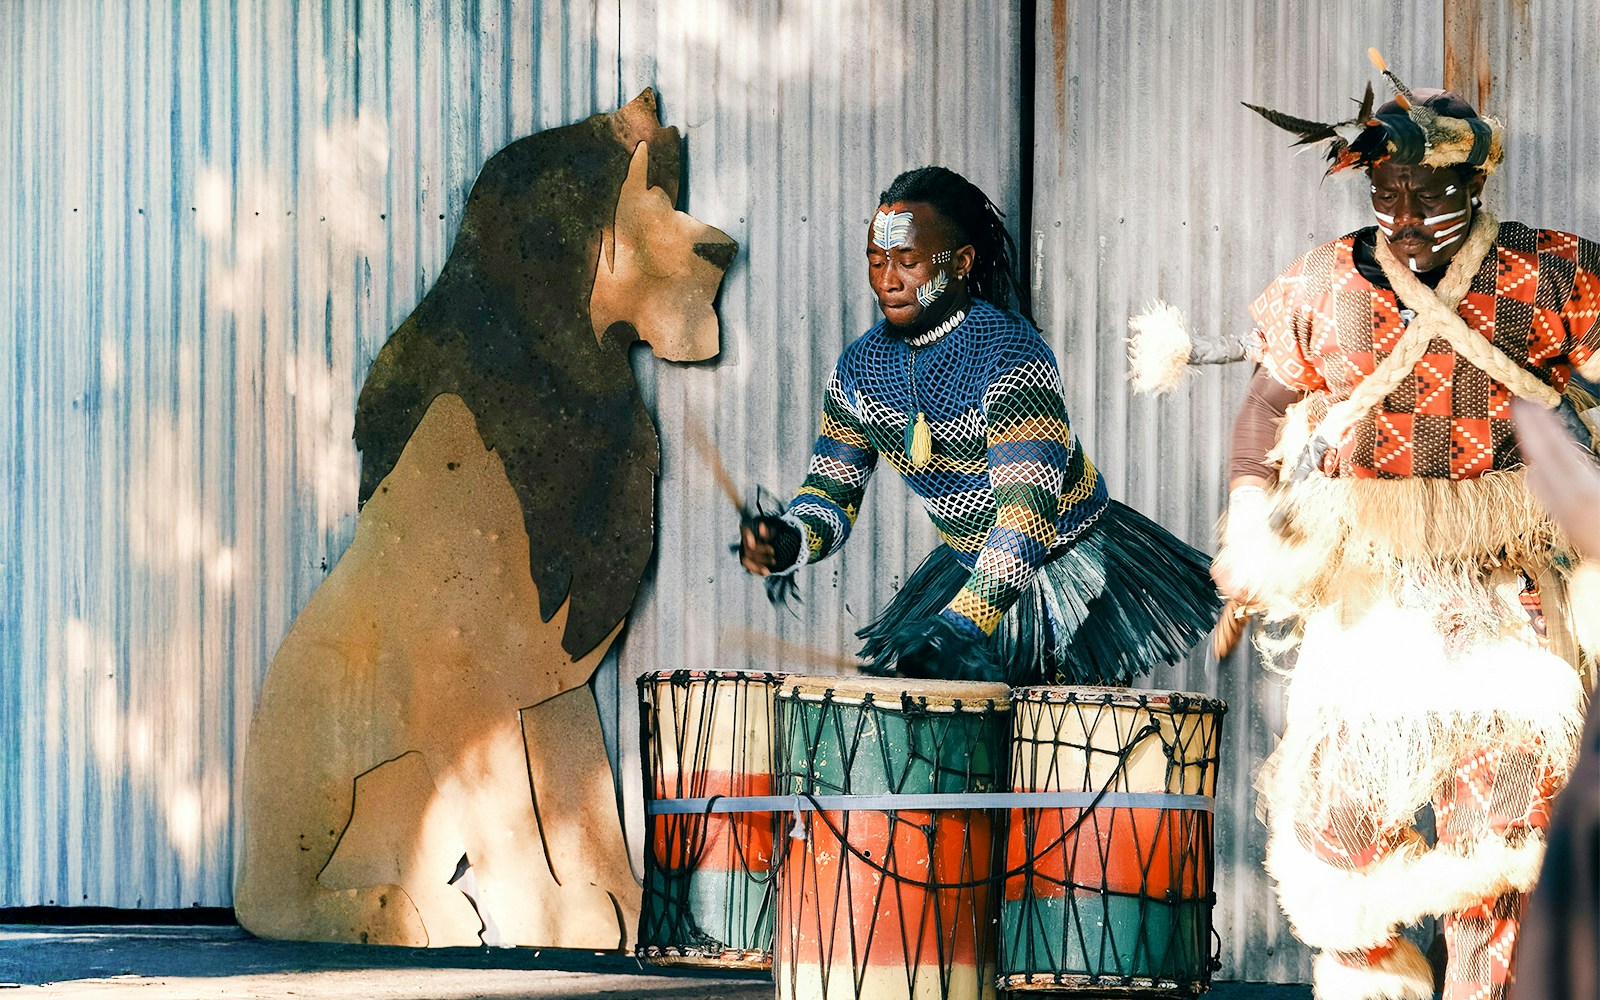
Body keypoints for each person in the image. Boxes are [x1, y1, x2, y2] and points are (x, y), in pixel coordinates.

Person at [1218, 59, 1597, 1000]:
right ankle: (1373, 975)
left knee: (1504, 839)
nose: (1405, 215)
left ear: (1475, 183)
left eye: (1430, 193)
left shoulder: (1548, 276)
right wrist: (1247, 517)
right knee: (1337, 838)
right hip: (1371, 596)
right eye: (1387, 191)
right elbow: (1266, 405)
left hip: (1500, 589)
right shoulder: (1325, 283)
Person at [738, 165, 1218, 687]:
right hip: (968, 565)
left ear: (961, 262)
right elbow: (832, 493)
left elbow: (1026, 517)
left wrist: (960, 625)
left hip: (1070, 568)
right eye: (876, 262)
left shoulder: (1011, 355)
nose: (888, 281)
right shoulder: (859, 371)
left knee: (1052, 750)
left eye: (909, 261)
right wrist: (789, 539)